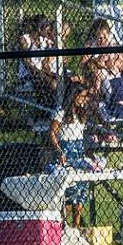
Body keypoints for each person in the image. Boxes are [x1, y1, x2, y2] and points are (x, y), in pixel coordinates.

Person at [47, 85, 95, 228]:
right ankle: (63, 226)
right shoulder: (60, 112)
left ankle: (76, 226)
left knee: (80, 191)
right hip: (66, 151)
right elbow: (52, 133)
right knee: (68, 191)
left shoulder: (81, 113)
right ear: (73, 96)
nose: (83, 100)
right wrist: (59, 151)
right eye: (81, 96)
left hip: (79, 150)